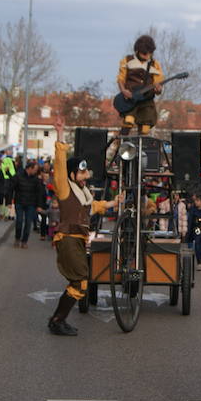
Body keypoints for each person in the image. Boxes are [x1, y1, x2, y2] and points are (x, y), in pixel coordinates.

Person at [47, 119, 122, 336]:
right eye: (80, 173)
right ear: (72, 174)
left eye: (85, 173)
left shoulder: (83, 192)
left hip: (78, 239)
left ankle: (57, 320)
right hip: (68, 238)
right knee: (80, 281)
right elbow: (60, 164)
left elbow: (93, 206)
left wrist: (113, 202)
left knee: (79, 281)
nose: (84, 176)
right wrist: (60, 134)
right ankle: (57, 321)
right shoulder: (65, 188)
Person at [117, 34, 164, 135]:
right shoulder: (127, 61)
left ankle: (141, 144)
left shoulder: (155, 65)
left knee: (145, 128)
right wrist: (123, 90)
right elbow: (121, 78)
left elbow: (158, 84)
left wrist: (158, 90)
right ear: (137, 50)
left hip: (147, 99)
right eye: (144, 53)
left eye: (150, 53)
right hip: (131, 98)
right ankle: (121, 142)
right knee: (128, 121)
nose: (147, 56)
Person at [11, 160, 47, 248]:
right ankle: (17, 238)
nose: (36, 171)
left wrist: (39, 205)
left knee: (28, 223)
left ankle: (24, 241)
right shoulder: (18, 176)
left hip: (31, 203)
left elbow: (39, 193)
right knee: (19, 221)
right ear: (30, 168)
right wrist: (9, 201)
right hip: (19, 202)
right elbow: (11, 188)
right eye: (35, 170)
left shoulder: (36, 179)